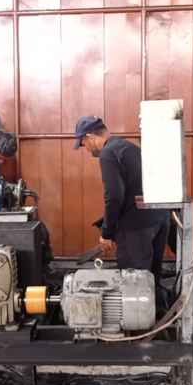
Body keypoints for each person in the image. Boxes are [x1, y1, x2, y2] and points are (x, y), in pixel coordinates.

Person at [74, 115, 169, 278]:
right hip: (158, 220)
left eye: (84, 144)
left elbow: (114, 196)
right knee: (151, 279)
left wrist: (107, 233)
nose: (87, 149)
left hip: (136, 228)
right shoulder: (128, 147)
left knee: (134, 283)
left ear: (90, 137)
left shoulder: (108, 153)